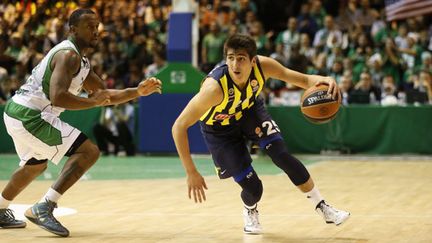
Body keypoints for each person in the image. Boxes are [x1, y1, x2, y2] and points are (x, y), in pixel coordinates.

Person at [0, 9, 162, 237]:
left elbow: (103, 94)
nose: (96, 31)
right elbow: (58, 96)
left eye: (97, 26)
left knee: (35, 166)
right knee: (89, 151)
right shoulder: (68, 55)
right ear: (73, 30)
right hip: (31, 115)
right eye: (89, 26)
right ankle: (44, 206)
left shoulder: (81, 61)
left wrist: (137, 91)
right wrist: (92, 103)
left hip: (18, 112)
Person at [172, 34, 349, 234]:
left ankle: (322, 206)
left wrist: (325, 79)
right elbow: (178, 126)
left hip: (249, 111)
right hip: (219, 129)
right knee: (254, 188)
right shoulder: (213, 89)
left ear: (253, 61)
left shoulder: (264, 67)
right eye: (230, 58)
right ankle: (250, 210)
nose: (235, 64)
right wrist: (191, 172)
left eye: (241, 58)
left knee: (281, 154)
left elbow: (304, 79)